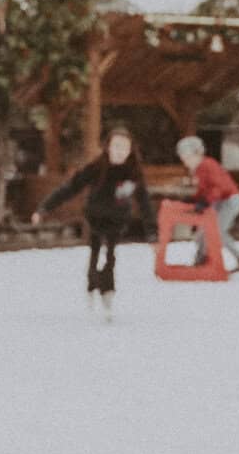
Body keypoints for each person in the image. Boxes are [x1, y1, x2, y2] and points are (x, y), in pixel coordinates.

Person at [39, 126, 153, 316]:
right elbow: (71, 188)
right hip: (96, 216)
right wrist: (45, 207)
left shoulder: (133, 173)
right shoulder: (96, 168)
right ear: (108, 147)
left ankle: (108, 289)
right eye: (116, 146)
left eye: (124, 147)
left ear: (130, 150)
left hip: (118, 219)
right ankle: (92, 284)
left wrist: (152, 231)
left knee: (110, 254)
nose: (119, 151)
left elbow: (144, 202)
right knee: (95, 250)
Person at [175, 133, 239, 275]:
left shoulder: (207, 164)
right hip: (218, 201)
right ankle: (201, 257)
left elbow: (217, 187)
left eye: (187, 157)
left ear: (197, 154)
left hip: (229, 200)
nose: (185, 161)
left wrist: (205, 201)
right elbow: (204, 190)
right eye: (183, 158)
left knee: (217, 231)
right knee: (205, 230)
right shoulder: (197, 170)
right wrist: (193, 200)